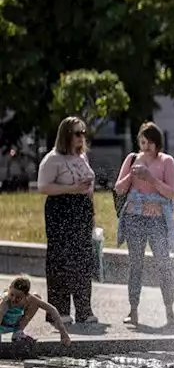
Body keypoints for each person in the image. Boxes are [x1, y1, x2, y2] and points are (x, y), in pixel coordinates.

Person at [114, 122, 174, 328]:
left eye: (151, 142)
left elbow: (170, 193)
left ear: (158, 143)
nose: (146, 147)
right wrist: (132, 175)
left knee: (164, 265)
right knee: (135, 265)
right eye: (143, 142)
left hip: (157, 220)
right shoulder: (132, 159)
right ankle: (133, 311)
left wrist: (150, 178)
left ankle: (170, 311)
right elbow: (118, 188)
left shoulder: (167, 161)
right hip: (134, 219)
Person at [37, 116, 98, 325]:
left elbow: (89, 189)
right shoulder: (53, 159)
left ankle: (84, 309)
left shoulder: (82, 158)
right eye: (77, 133)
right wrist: (71, 189)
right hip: (60, 209)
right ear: (66, 135)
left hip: (82, 209)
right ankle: (59, 310)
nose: (82, 137)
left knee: (83, 259)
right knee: (60, 260)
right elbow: (43, 187)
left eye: (83, 133)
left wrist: (93, 216)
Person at [0, 276, 71, 346]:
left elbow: (52, 310)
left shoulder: (29, 298)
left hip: (13, 325)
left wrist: (63, 333)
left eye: (18, 297)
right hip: (1, 325)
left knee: (37, 298)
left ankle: (18, 332)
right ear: (9, 289)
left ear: (26, 295)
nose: (13, 299)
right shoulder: (5, 302)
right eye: (11, 295)